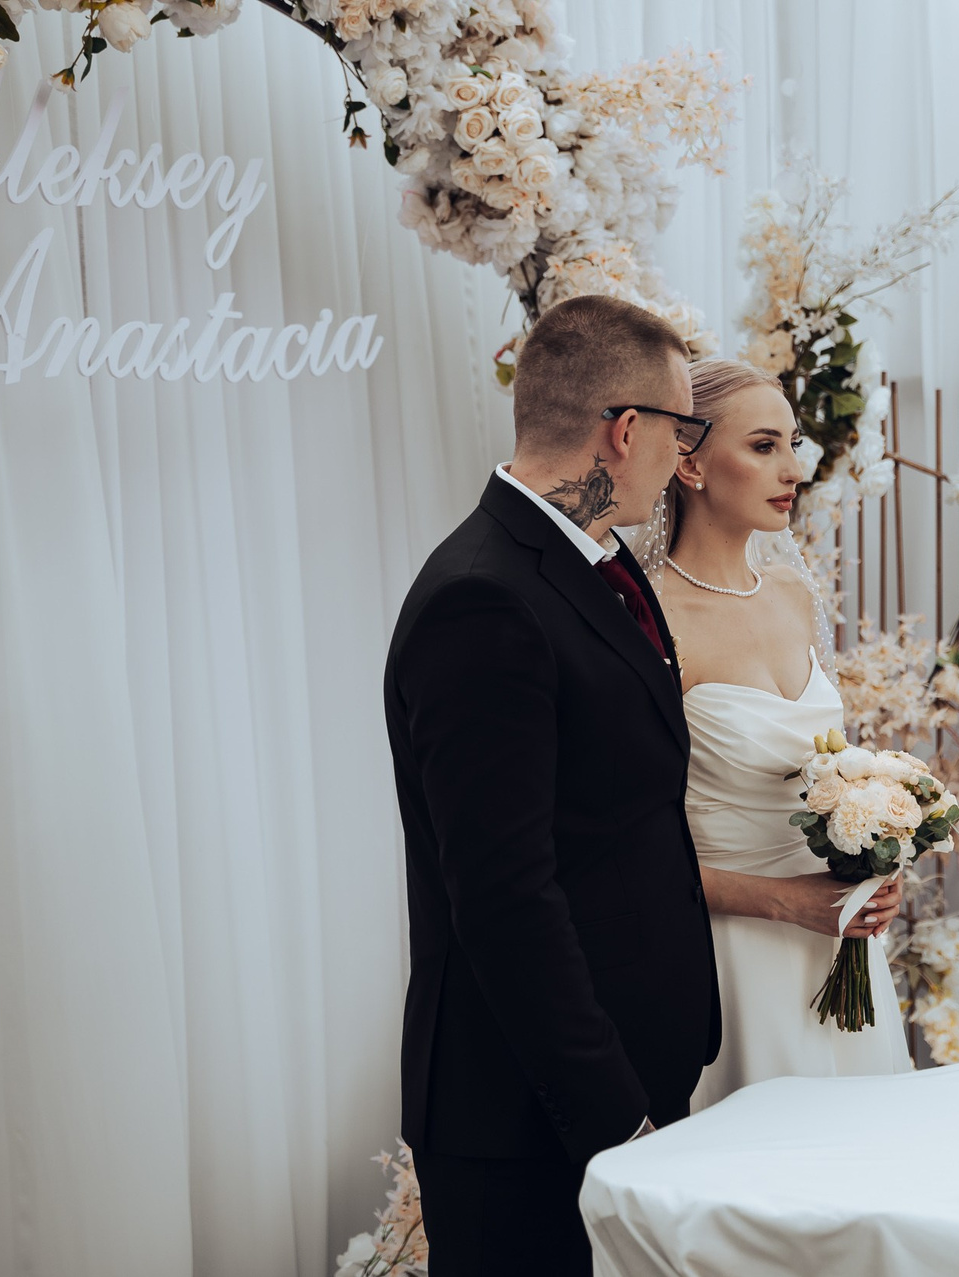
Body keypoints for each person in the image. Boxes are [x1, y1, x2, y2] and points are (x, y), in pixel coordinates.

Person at [383, 295, 719, 1275]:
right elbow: (504, 896)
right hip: (535, 1113)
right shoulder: (482, 597)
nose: (684, 457)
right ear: (626, 430)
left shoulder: (599, 562)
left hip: (628, 1071)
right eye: (682, 429)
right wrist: (618, 1122)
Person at [629, 357, 912, 1109]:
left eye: (793, 444)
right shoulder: (646, 619)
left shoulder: (792, 590)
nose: (793, 469)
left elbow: (833, 769)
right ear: (689, 462)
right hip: (731, 956)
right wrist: (788, 902)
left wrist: (879, 858)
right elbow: (625, 852)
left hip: (840, 945)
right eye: (763, 446)